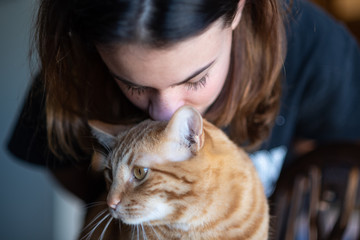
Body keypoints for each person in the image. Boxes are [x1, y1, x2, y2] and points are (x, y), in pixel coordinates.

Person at [8, 0, 360, 207]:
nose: (165, 112)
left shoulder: (307, 41)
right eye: (132, 85)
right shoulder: (73, 66)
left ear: (237, 9)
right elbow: (60, 161)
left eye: (195, 79)